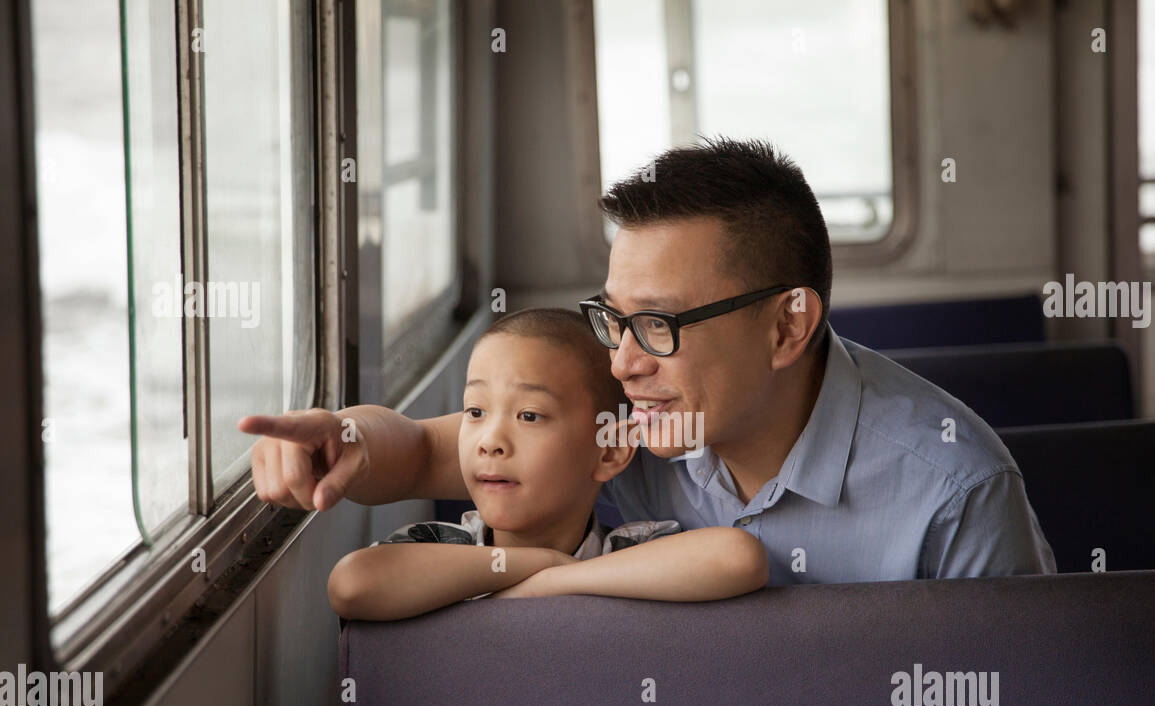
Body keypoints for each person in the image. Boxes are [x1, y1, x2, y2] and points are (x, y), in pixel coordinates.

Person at [241, 138, 1055, 585]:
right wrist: (343, 435)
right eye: (613, 321)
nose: (624, 363)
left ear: (787, 327)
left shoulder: (957, 490)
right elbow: (419, 450)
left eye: (660, 326)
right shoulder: (620, 427)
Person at [319, 308, 768, 620]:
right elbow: (351, 585)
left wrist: (555, 580)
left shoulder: (632, 553)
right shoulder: (439, 546)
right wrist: (537, 563)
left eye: (529, 416)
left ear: (610, 450)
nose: (490, 441)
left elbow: (738, 558)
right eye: (475, 411)